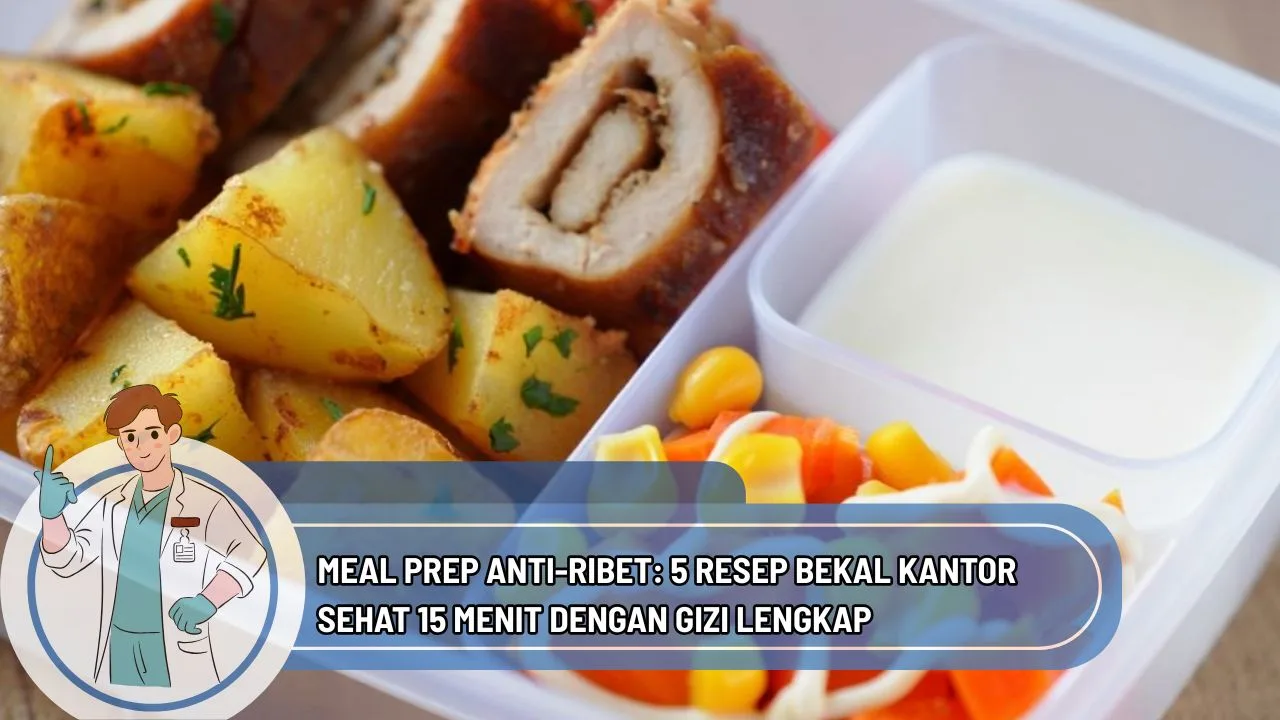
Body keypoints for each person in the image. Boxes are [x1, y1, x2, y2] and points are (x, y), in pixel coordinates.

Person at [35, 385, 267, 690]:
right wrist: (52, 516)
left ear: (172, 435)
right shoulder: (110, 498)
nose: (142, 447)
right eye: (131, 437)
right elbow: (68, 558)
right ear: (121, 443)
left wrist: (208, 600)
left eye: (153, 434)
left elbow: (250, 553)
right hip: (119, 639)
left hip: (180, 640)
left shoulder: (210, 497)